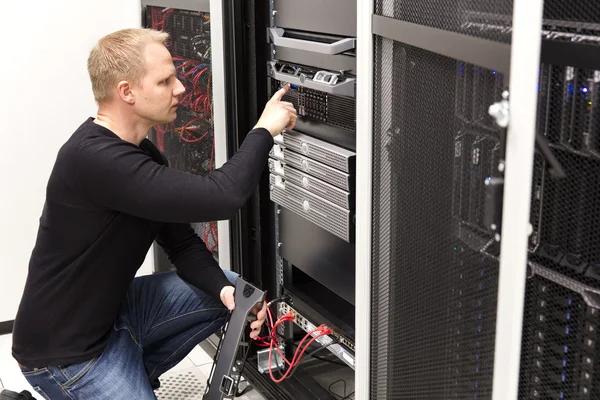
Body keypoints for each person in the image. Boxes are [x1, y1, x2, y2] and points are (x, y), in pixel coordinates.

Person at [11, 28, 297, 399]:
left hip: (115, 314)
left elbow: (182, 246)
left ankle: (131, 369)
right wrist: (264, 130)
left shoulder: (142, 154)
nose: (180, 88)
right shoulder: (93, 159)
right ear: (126, 92)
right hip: (66, 355)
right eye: (165, 81)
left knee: (228, 289)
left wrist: (224, 290)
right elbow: (223, 196)